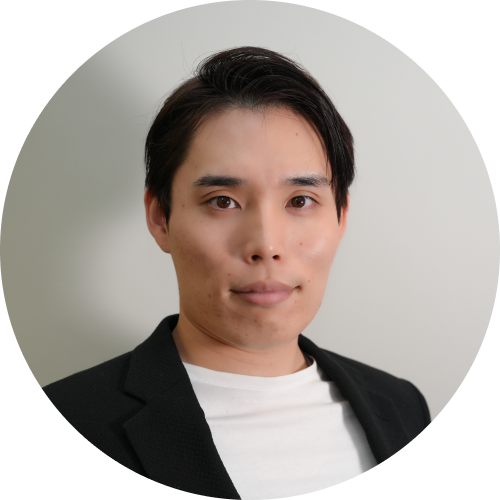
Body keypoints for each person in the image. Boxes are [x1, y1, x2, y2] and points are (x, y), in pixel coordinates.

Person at [43, 46, 430, 498]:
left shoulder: (402, 405)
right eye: (223, 201)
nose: (266, 245)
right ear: (160, 217)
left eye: (300, 201)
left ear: (341, 216)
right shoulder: (74, 416)